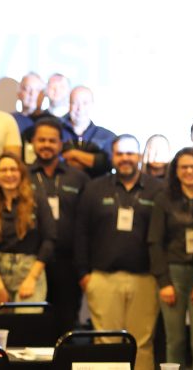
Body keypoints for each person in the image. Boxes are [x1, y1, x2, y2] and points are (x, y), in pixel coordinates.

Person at [75, 134, 162, 370]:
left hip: (145, 279)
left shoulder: (157, 189)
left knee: (142, 343)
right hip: (103, 278)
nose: (125, 158)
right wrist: (84, 274)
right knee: (106, 343)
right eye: (120, 154)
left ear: (139, 156)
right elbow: (81, 233)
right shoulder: (94, 188)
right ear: (112, 157)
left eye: (130, 153)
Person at [148, 147, 193, 370]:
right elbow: (155, 242)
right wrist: (164, 282)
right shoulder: (164, 199)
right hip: (173, 274)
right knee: (175, 341)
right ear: (175, 171)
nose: (189, 171)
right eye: (184, 167)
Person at [29, 117, 89, 335]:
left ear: (61, 144)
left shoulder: (78, 178)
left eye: (52, 141)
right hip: (31, 263)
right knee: (31, 325)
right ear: (33, 142)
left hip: (67, 264)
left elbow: (85, 225)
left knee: (65, 326)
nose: (46, 145)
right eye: (41, 140)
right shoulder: (22, 175)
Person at [0, 154, 55, 307]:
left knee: (26, 320)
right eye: (3, 170)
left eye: (13, 169)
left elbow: (49, 240)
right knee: (0, 322)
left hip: (30, 270)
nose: (9, 174)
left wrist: (32, 279)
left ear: (21, 173)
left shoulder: (37, 201)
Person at [60, 86, 116, 178]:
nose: (80, 108)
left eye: (85, 103)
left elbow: (109, 163)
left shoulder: (107, 136)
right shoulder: (56, 133)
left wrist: (73, 154)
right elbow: (51, 159)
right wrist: (91, 161)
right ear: (68, 105)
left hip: (97, 185)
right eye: (75, 103)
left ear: (92, 105)